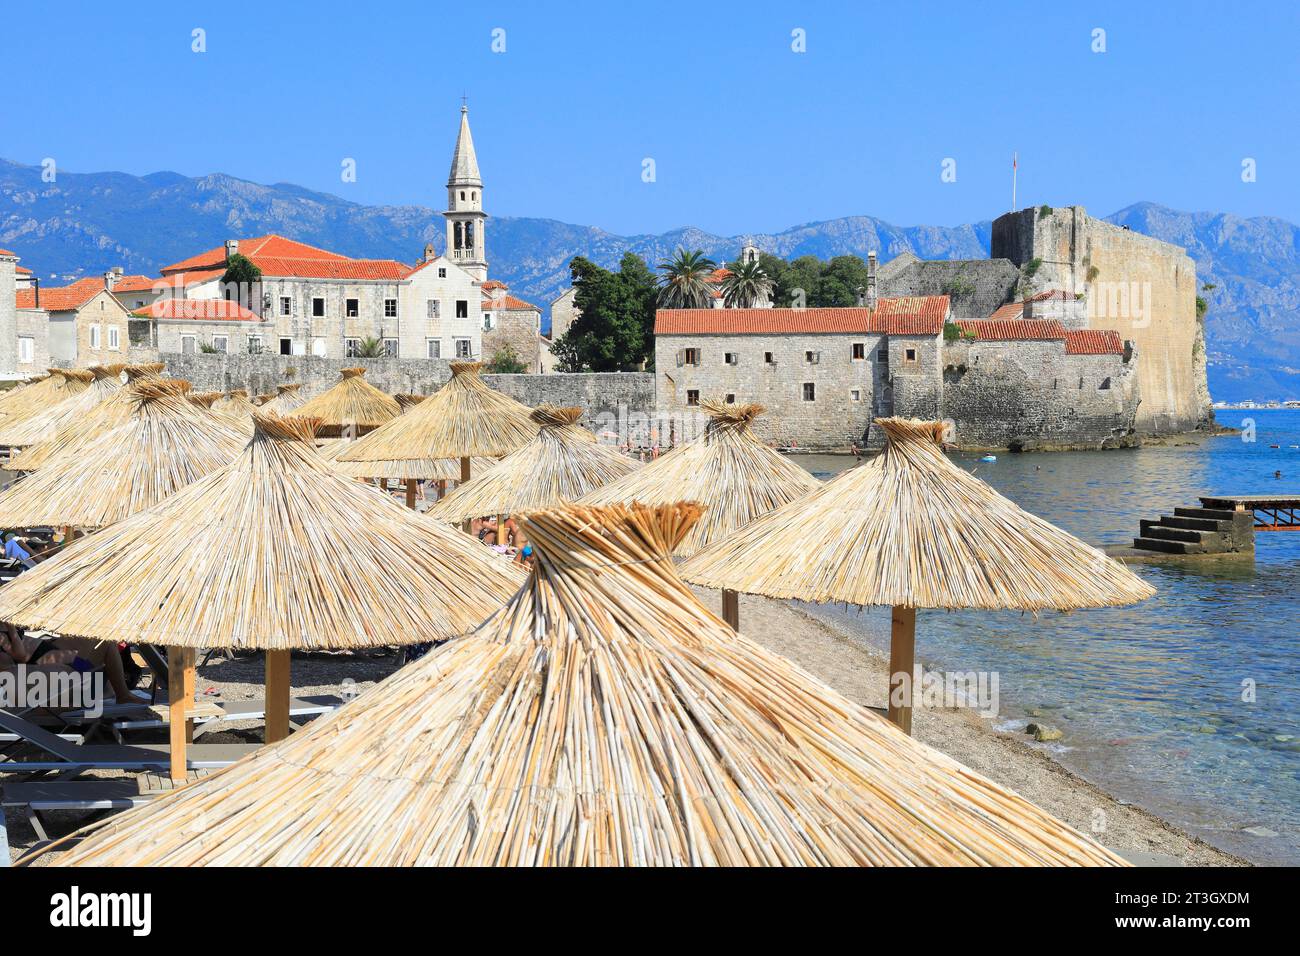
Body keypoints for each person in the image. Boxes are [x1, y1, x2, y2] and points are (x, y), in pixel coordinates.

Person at [0, 624, 136, 704]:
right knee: (86, 668)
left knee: (104, 641)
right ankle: (118, 694)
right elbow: (20, 655)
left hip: (48, 653)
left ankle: (120, 693)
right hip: (44, 663)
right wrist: (11, 627)